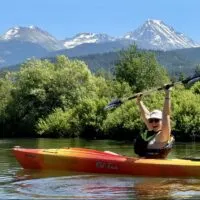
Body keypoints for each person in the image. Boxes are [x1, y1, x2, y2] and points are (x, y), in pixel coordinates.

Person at [134, 86, 174, 159]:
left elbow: (166, 114)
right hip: (142, 162)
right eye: (151, 120)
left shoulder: (163, 134)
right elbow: (146, 115)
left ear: (162, 121)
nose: (153, 123)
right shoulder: (152, 130)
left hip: (155, 166)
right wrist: (139, 101)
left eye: (156, 120)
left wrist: (167, 94)